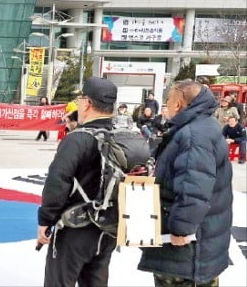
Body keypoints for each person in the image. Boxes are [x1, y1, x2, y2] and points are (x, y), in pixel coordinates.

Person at [138, 80, 233, 286]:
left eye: (169, 101)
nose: (167, 105)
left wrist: (181, 228)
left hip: (187, 251)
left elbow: (194, 188)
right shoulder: (202, 126)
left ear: (179, 104)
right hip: (201, 243)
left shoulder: (193, 135)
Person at [37, 77, 118, 287]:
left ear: (87, 103)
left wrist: (46, 220)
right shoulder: (121, 137)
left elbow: (58, 181)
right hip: (109, 228)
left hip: (75, 228)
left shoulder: (77, 139)